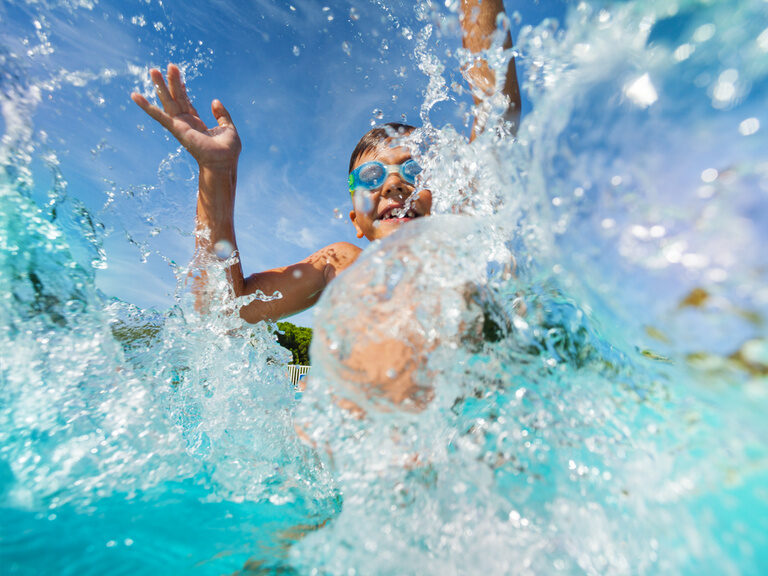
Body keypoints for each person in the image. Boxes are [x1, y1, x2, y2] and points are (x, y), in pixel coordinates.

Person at [131, 0, 520, 327]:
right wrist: (216, 175)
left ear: (441, 195)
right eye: (372, 176)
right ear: (357, 221)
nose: (397, 183)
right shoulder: (342, 264)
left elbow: (497, 114)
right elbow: (227, 308)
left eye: (415, 171)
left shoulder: (466, 253)